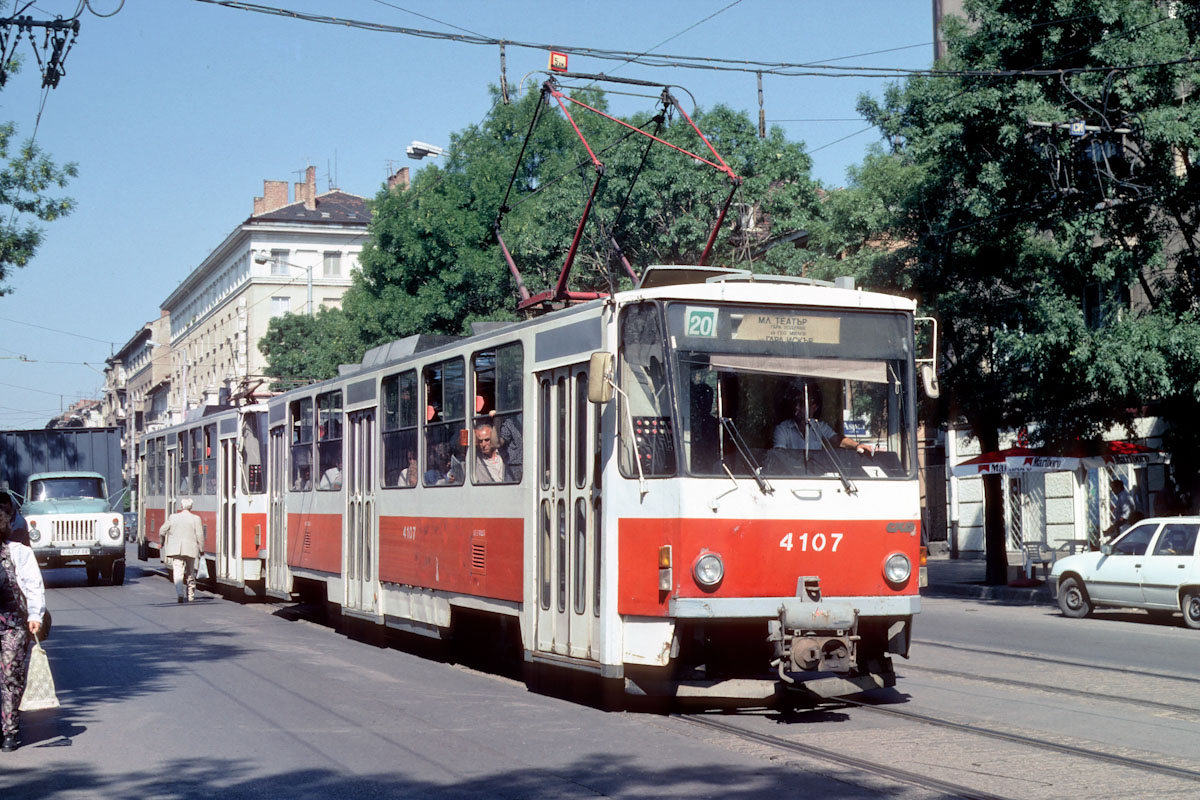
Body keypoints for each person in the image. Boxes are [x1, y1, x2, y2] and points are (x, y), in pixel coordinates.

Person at [0, 506, 45, 753]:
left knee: (10, 677)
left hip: (12, 625)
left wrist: (35, 614)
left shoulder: (19, 552)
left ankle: (10, 731)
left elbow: (33, 585)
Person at [772, 380, 875, 455]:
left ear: (813, 407)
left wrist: (856, 445)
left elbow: (837, 440)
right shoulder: (782, 429)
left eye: (801, 404)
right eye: (795, 403)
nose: (797, 407)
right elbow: (781, 456)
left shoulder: (819, 427)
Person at [159, 498, 205, 603]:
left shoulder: (173, 517)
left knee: (178, 572)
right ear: (191, 507)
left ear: (181, 506)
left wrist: (161, 542)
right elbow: (200, 536)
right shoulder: (196, 519)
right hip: (190, 549)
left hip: (176, 550)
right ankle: (191, 595)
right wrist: (201, 550)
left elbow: (162, 530)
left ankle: (180, 593)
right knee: (190, 572)